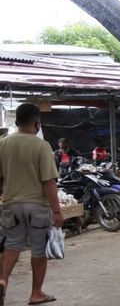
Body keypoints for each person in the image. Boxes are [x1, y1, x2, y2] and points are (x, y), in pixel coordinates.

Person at [0, 103, 64, 305]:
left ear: (17, 121)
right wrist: (57, 211)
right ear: (37, 123)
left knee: (12, 246)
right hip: (36, 206)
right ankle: (36, 293)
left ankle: (2, 281)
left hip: (11, 204)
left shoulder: (2, 144)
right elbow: (48, 182)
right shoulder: (41, 145)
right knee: (38, 250)